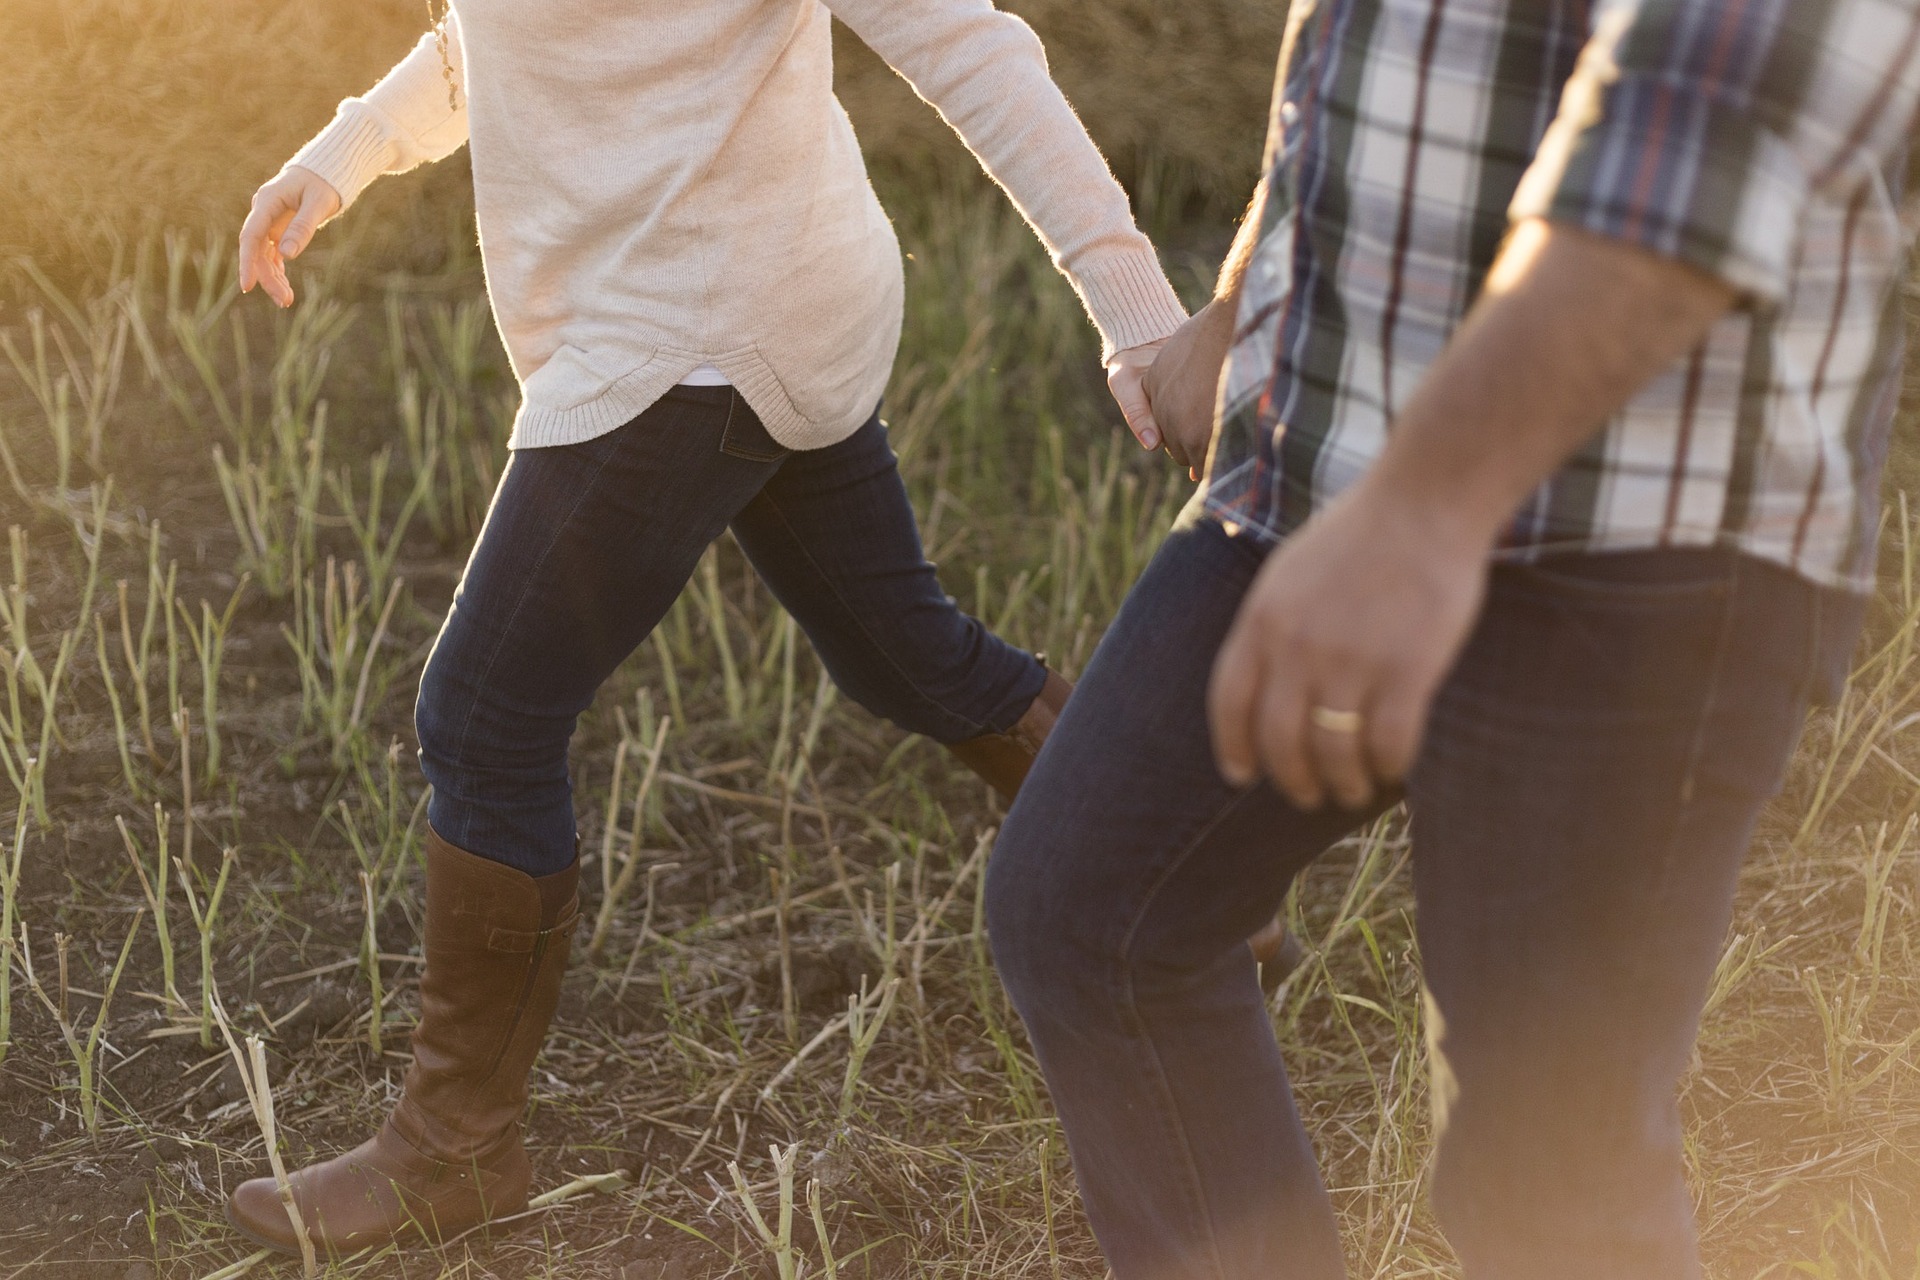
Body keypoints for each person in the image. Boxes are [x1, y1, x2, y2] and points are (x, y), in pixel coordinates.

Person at [220, 0, 1234, 1256]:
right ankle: (1186, 882)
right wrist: (344, 153)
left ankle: (455, 1145)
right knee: (902, 655)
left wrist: (1139, 313)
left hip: (694, 327)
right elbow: (502, 39)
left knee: (483, 713)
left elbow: (969, 45)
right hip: (752, 292)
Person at [986, 2, 1919, 1276]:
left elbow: (1705, 144)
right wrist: (1245, 286)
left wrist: (1423, 512)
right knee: (1093, 910)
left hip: (1638, 529)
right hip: (1329, 463)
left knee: (1547, 1176)